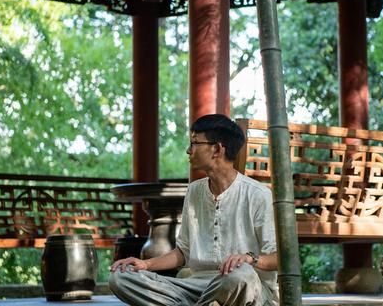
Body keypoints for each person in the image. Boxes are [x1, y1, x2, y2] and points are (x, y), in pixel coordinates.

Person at [109, 114, 278, 306]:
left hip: (243, 287)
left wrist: (250, 259)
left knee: (241, 275)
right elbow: (184, 253)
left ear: (216, 149)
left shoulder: (258, 194)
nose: (188, 150)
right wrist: (145, 265)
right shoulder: (194, 190)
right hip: (196, 288)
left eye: (194, 143)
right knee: (121, 278)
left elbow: (279, 258)